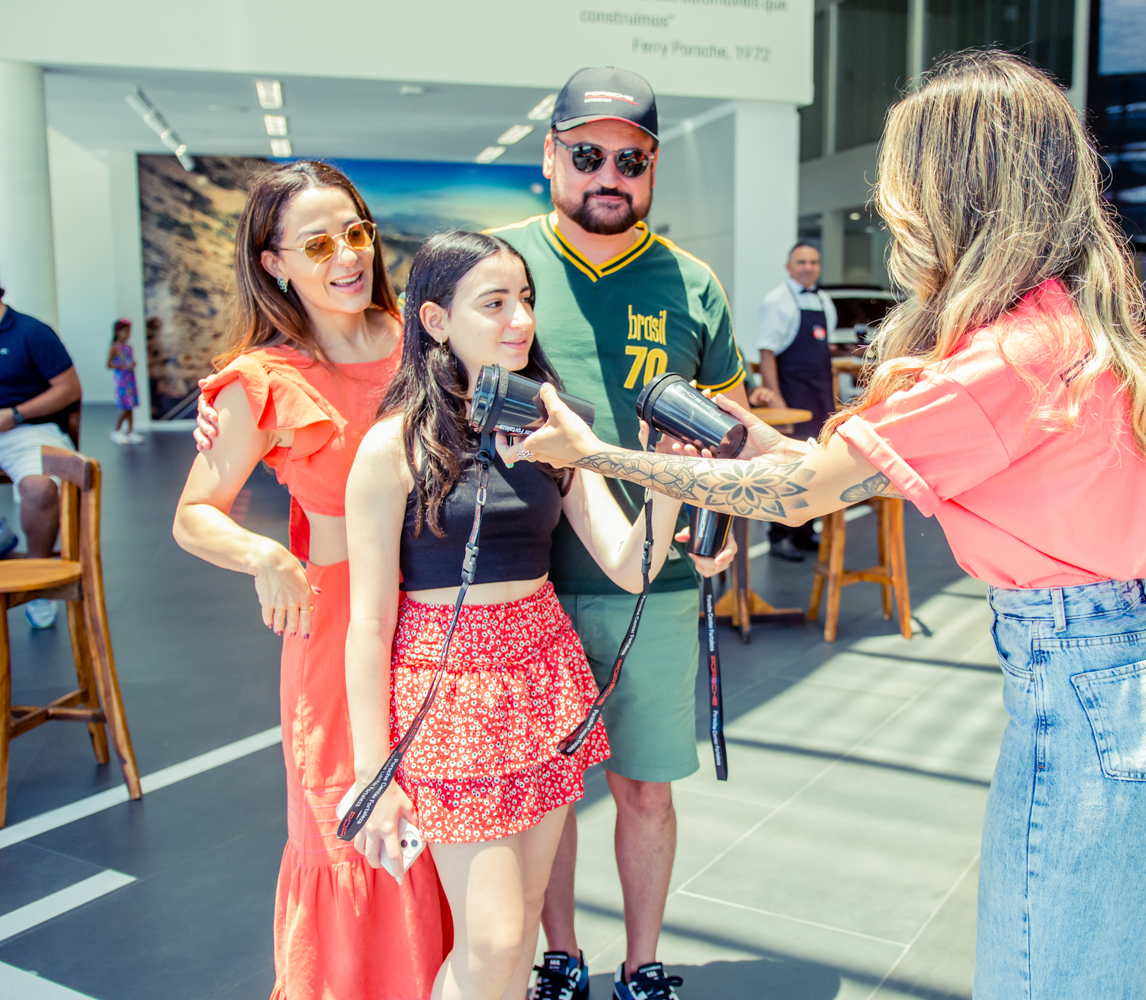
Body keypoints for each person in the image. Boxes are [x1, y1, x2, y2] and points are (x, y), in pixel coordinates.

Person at [521, 49, 1146, 1000]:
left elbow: (802, 495)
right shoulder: (1055, 323)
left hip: (1086, 682)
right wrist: (736, 446)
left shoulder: (1006, 358)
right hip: (1142, 660)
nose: (896, 216)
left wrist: (597, 455)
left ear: (957, 195)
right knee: (1135, 969)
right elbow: (821, 466)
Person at [345, 231, 721, 1000]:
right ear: (435, 321)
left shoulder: (551, 430)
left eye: (525, 300)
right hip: (450, 693)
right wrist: (371, 773)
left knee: (520, 922)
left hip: (543, 676)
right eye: (494, 303)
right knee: (493, 941)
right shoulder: (392, 448)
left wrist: (667, 477)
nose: (520, 319)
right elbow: (369, 624)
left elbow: (629, 563)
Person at [487, 66, 753, 1000]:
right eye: (588, 154)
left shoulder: (693, 284)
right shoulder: (504, 269)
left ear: (653, 166)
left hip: (660, 585)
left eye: (630, 160)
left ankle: (643, 966)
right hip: (527, 584)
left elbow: (730, 428)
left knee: (645, 786)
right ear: (550, 155)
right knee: (546, 794)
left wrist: (725, 524)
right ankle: (560, 955)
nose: (609, 174)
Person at [173, 161, 450, 1000]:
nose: (348, 256)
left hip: (445, 617)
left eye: (355, 233)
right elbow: (195, 514)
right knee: (353, 828)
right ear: (275, 264)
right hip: (337, 638)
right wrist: (265, 556)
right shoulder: (263, 380)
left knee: (446, 823)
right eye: (318, 243)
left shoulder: (425, 340)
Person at [0, 260, 82, 630]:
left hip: (30, 429)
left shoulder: (32, 332)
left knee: (39, 488)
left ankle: (38, 584)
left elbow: (69, 389)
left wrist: (16, 414)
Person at [756, 241, 838, 561]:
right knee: (787, 469)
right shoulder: (776, 301)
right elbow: (767, 353)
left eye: (814, 262)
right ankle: (778, 537)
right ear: (788, 267)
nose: (808, 267)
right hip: (792, 396)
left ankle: (805, 532)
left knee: (815, 467)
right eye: (801, 262)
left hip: (820, 397)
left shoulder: (824, 300)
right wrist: (776, 399)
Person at [108, 318, 143, 444]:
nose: (127, 334)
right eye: (124, 331)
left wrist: (131, 365)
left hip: (130, 379)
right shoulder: (115, 347)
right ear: (117, 332)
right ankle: (117, 430)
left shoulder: (128, 347)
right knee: (125, 406)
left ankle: (131, 431)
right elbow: (109, 364)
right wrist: (124, 365)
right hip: (121, 380)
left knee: (131, 405)